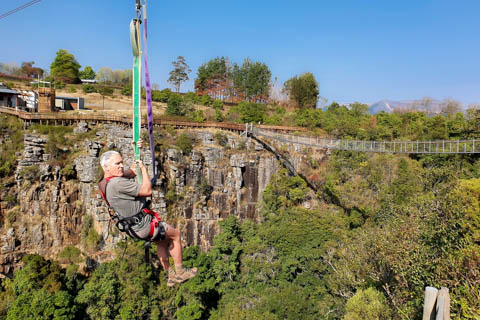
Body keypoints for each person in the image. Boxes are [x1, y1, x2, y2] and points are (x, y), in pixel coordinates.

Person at [98, 142, 197, 287]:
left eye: (121, 162)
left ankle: (170, 276)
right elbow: (146, 191)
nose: (121, 166)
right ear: (106, 167)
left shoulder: (104, 182)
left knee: (162, 241)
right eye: (117, 164)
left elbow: (131, 171)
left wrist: (136, 150)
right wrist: (144, 170)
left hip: (134, 228)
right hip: (145, 225)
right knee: (175, 234)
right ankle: (180, 272)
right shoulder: (117, 184)